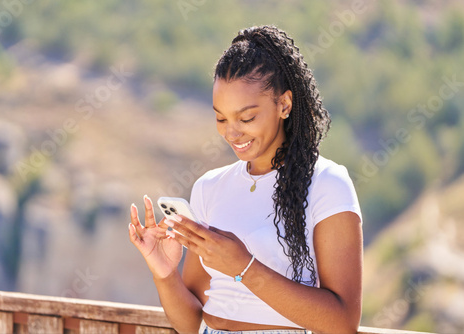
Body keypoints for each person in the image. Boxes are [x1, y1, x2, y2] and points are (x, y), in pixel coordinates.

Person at [128, 25, 363, 334]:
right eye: (221, 118)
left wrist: (243, 267)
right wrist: (163, 273)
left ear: (285, 105)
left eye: (247, 118)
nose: (231, 133)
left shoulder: (328, 184)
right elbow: (192, 324)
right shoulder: (209, 188)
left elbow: (342, 322)